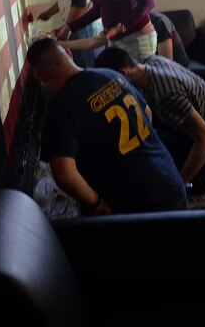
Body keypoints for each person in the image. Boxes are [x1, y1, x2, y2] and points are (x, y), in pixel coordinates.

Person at [27, 37, 187, 215]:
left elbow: (64, 175)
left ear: (40, 77)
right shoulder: (111, 75)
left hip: (137, 205)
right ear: (69, 54)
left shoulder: (59, 106)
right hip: (171, 182)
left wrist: (96, 202)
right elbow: (147, 113)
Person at [94, 46, 205, 197]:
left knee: (147, 149)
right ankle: (204, 168)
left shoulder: (167, 95)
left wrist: (178, 185)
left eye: (111, 86)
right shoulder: (152, 62)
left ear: (123, 74)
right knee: (147, 134)